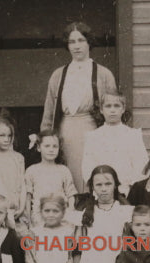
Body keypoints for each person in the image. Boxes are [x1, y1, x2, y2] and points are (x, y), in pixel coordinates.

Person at [40, 21, 117, 191]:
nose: (76, 46)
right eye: (72, 42)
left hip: (93, 131)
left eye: (81, 40)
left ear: (89, 42)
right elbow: (49, 111)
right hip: (65, 132)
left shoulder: (104, 74)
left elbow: (114, 109)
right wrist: (45, 136)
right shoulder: (58, 75)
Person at [80, 91, 148, 196]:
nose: (112, 110)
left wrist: (129, 187)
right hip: (101, 191)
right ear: (101, 110)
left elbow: (142, 166)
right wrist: (100, 186)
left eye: (117, 106)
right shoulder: (93, 137)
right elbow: (88, 168)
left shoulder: (133, 135)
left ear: (123, 109)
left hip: (128, 192)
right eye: (108, 106)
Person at [24, 130, 77, 227]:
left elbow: (71, 195)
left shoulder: (63, 170)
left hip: (61, 216)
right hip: (39, 217)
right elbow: (28, 197)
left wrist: (71, 215)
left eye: (54, 146)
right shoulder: (31, 170)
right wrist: (29, 220)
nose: (51, 150)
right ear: (39, 148)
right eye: (47, 146)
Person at [0, 117, 27, 223]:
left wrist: (22, 207)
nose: (6, 139)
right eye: (2, 135)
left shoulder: (18, 158)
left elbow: (22, 185)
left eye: (9, 136)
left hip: (17, 209)